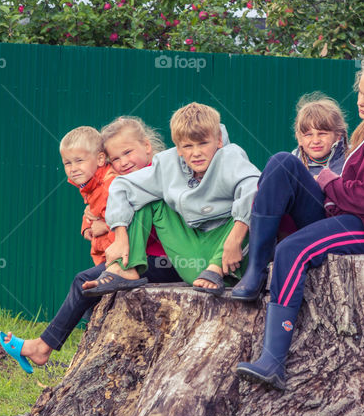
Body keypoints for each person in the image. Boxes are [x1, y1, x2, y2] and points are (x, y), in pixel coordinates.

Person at [230, 55, 364, 391]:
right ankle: (255, 269)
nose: (361, 101)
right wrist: (329, 186)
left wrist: (328, 182)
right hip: (343, 212)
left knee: (293, 250)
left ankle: (273, 360)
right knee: (281, 163)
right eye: (361, 93)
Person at [0, 116, 179, 373]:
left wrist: (105, 225)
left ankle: (42, 347)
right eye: (116, 158)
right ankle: (96, 353)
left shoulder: (151, 177)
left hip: (162, 260)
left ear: (147, 147)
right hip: (143, 257)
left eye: (128, 153)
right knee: (92, 295)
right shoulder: (126, 180)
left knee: (83, 282)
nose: (122, 162)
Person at [81, 103, 260, 297]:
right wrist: (121, 237)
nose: (196, 152)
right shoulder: (168, 163)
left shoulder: (231, 157)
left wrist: (234, 241)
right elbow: (122, 186)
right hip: (191, 252)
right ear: (178, 148)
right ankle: (125, 268)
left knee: (255, 200)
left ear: (218, 140)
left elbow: (254, 186)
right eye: (188, 146)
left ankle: (215, 268)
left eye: (203, 143)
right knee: (146, 198)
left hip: (228, 258)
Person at [59, 126, 117, 265]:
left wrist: (104, 227)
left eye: (79, 160)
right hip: (106, 256)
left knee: (81, 282)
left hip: (118, 259)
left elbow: (130, 221)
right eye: (67, 163)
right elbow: (94, 209)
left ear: (100, 159)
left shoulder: (110, 186)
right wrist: (86, 225)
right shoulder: (91, 185)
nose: (73, 169)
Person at [291, 92, 348, 177]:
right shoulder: (294, 162)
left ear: (338, 135)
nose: (316, 141)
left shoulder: (350, 159)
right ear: (299, 139)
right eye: (308, 135)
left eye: (322, 134)